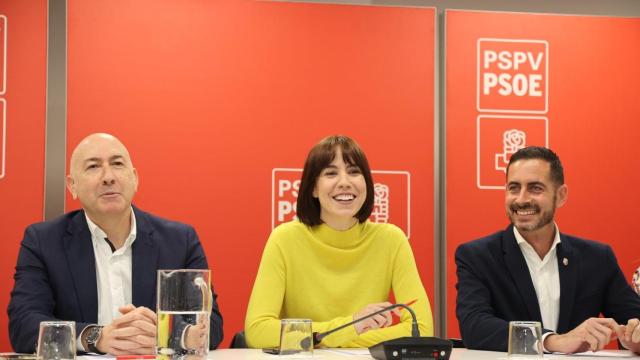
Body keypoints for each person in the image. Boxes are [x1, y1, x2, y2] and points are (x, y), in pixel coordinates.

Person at [8, 133, 223, 354]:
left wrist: (168, 334)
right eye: (93, 167)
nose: (108, 177)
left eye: (117, 164)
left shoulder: (179, 241)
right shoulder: (43, 241)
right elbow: (24, 326)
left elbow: (212, 325)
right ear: (72, 185)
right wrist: (96, 337)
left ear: (135, 178)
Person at [245, 135, 433, 348]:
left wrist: (328, 338)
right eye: (331, 173)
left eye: (354, 172)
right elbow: (258, 331)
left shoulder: (391, 240)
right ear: (313, 188)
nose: (345, 182)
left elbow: (421, 329)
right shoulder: (285, 239)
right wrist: (351, 326)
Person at [455, 146, 640, 354]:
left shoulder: (597, 258)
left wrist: (634, 338)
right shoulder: (476, 256)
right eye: (513, 188)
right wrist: (551, 340)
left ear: (561, 195)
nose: (521, 199)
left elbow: (633, 320)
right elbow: (475, 326)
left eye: (535, 188)